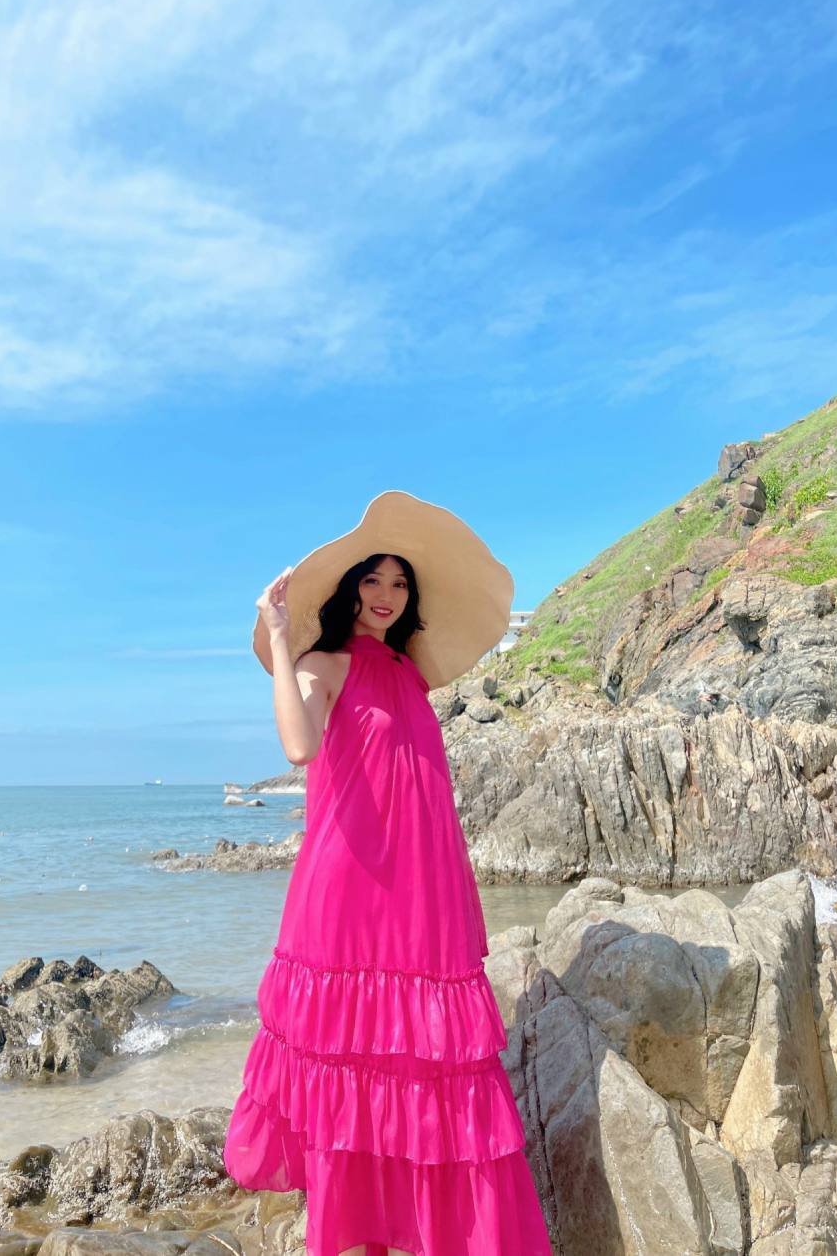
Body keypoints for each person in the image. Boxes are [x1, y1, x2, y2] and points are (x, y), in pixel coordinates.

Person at [223, 491, 552, 1256]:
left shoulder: (409, 674)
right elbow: (299, 748)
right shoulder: (323, 664)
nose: (385, 594)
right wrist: (281, 637)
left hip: (423, 889)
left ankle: (422, 1229)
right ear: (348, 588)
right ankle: (360, 1227)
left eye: (399, 583)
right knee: (354, 1058)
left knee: (428, 1061)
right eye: (372, 579)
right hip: (347, 887)